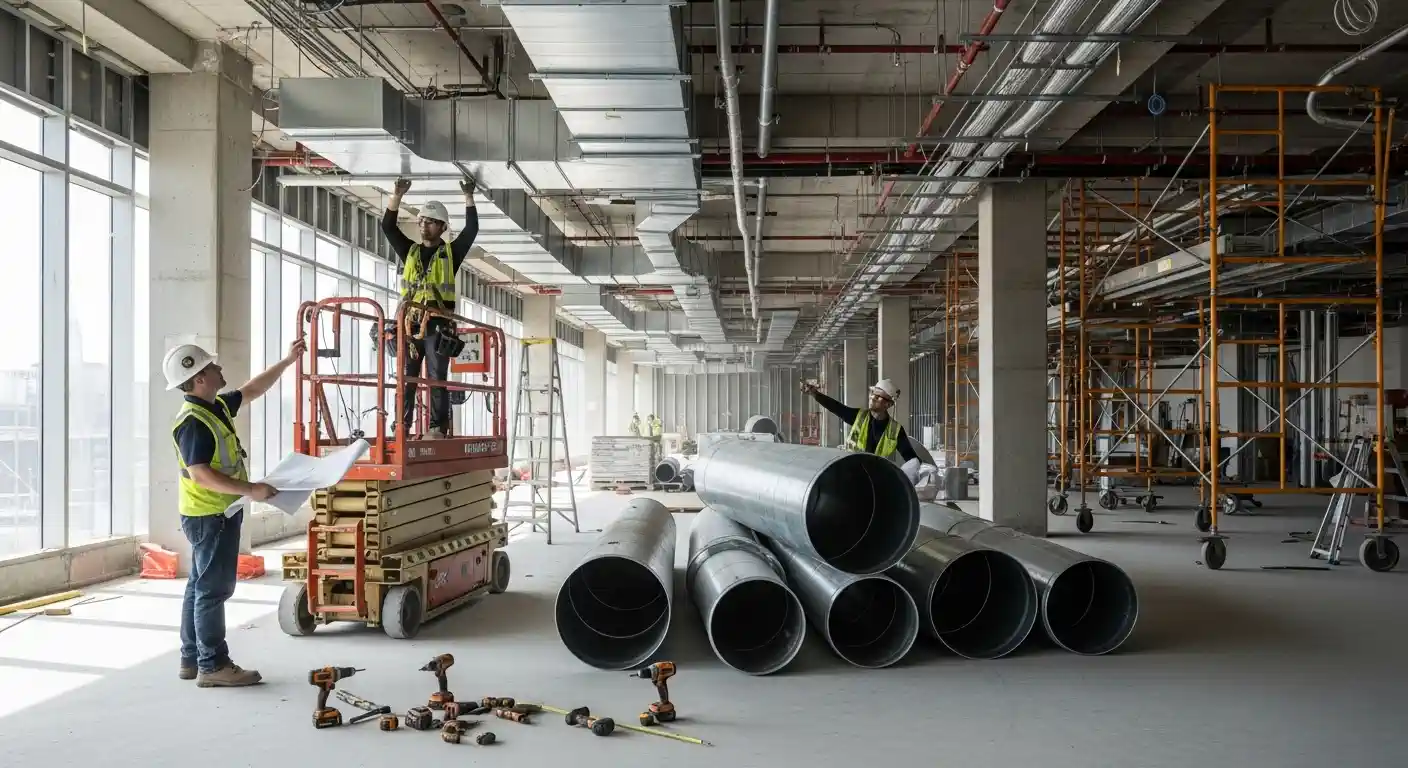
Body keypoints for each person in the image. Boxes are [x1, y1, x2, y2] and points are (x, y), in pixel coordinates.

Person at [163, 337, 306, 687]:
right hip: (211, 516)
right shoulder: (194, 422)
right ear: (199, 379)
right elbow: (200, 473)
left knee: (199, 585)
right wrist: (251, 489)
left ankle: (192, 658)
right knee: (213, 590)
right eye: (212, 368)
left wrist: (288, 361)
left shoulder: (216, 408)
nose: (220, 369)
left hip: (215, 513)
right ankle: (213, 666)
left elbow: (252, 389)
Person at [382, 176, 480, 438]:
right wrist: (396, 195)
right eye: (422, 220)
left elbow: (471, 231)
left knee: (437, 378)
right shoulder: (410, 251)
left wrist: (468, 198)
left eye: (430, 222)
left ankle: (437, 427)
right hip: (411, 324)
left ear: (442, 227)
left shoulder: (451, 254)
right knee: (407, 378)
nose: (423, 225)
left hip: (437, 325)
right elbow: (388, 227)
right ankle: (401, 426)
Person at [801, 378, 918, 463]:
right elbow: (836, 407)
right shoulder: (859, 416)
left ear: (888, 404)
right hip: (852, 470)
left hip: (876, 477)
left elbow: (911, 458)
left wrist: (924, 472)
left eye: (878, 397)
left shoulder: (895, 430)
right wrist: (814, 394)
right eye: (872, 394)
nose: (872, 398)